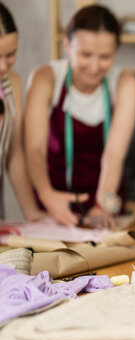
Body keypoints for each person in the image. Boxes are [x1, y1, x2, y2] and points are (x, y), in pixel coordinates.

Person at [25, 4, 135, 228]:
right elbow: (34, 150)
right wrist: (47, 195)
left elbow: (114, 155)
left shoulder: (126, 84)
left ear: (116, 52)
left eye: (105, 56)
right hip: (53, 200)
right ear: (67, 45)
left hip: (106, 201)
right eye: (85, 54)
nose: (94, 66)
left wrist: (103, 206)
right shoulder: (45, 78)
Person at [0, 3, 46, 222]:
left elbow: (14, 153)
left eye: (10, 54)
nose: (3, 67)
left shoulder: (12, 84)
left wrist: (31, 212)